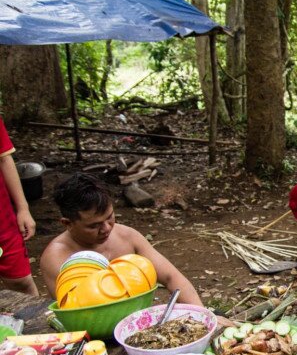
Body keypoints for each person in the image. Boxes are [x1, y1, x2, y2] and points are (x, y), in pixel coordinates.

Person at [40, 173, 203, 306]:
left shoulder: (126, 236)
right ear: (67, 223)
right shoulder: (56, 257)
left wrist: (203, 315)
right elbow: (76, 312)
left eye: (110, 217)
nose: (107, 228)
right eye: (93, 226)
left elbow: (171, 277)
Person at [0, 117, 38, 296]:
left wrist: (23, 208)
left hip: (3, 219)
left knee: (21, 281)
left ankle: (38, 322)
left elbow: (4, 159)